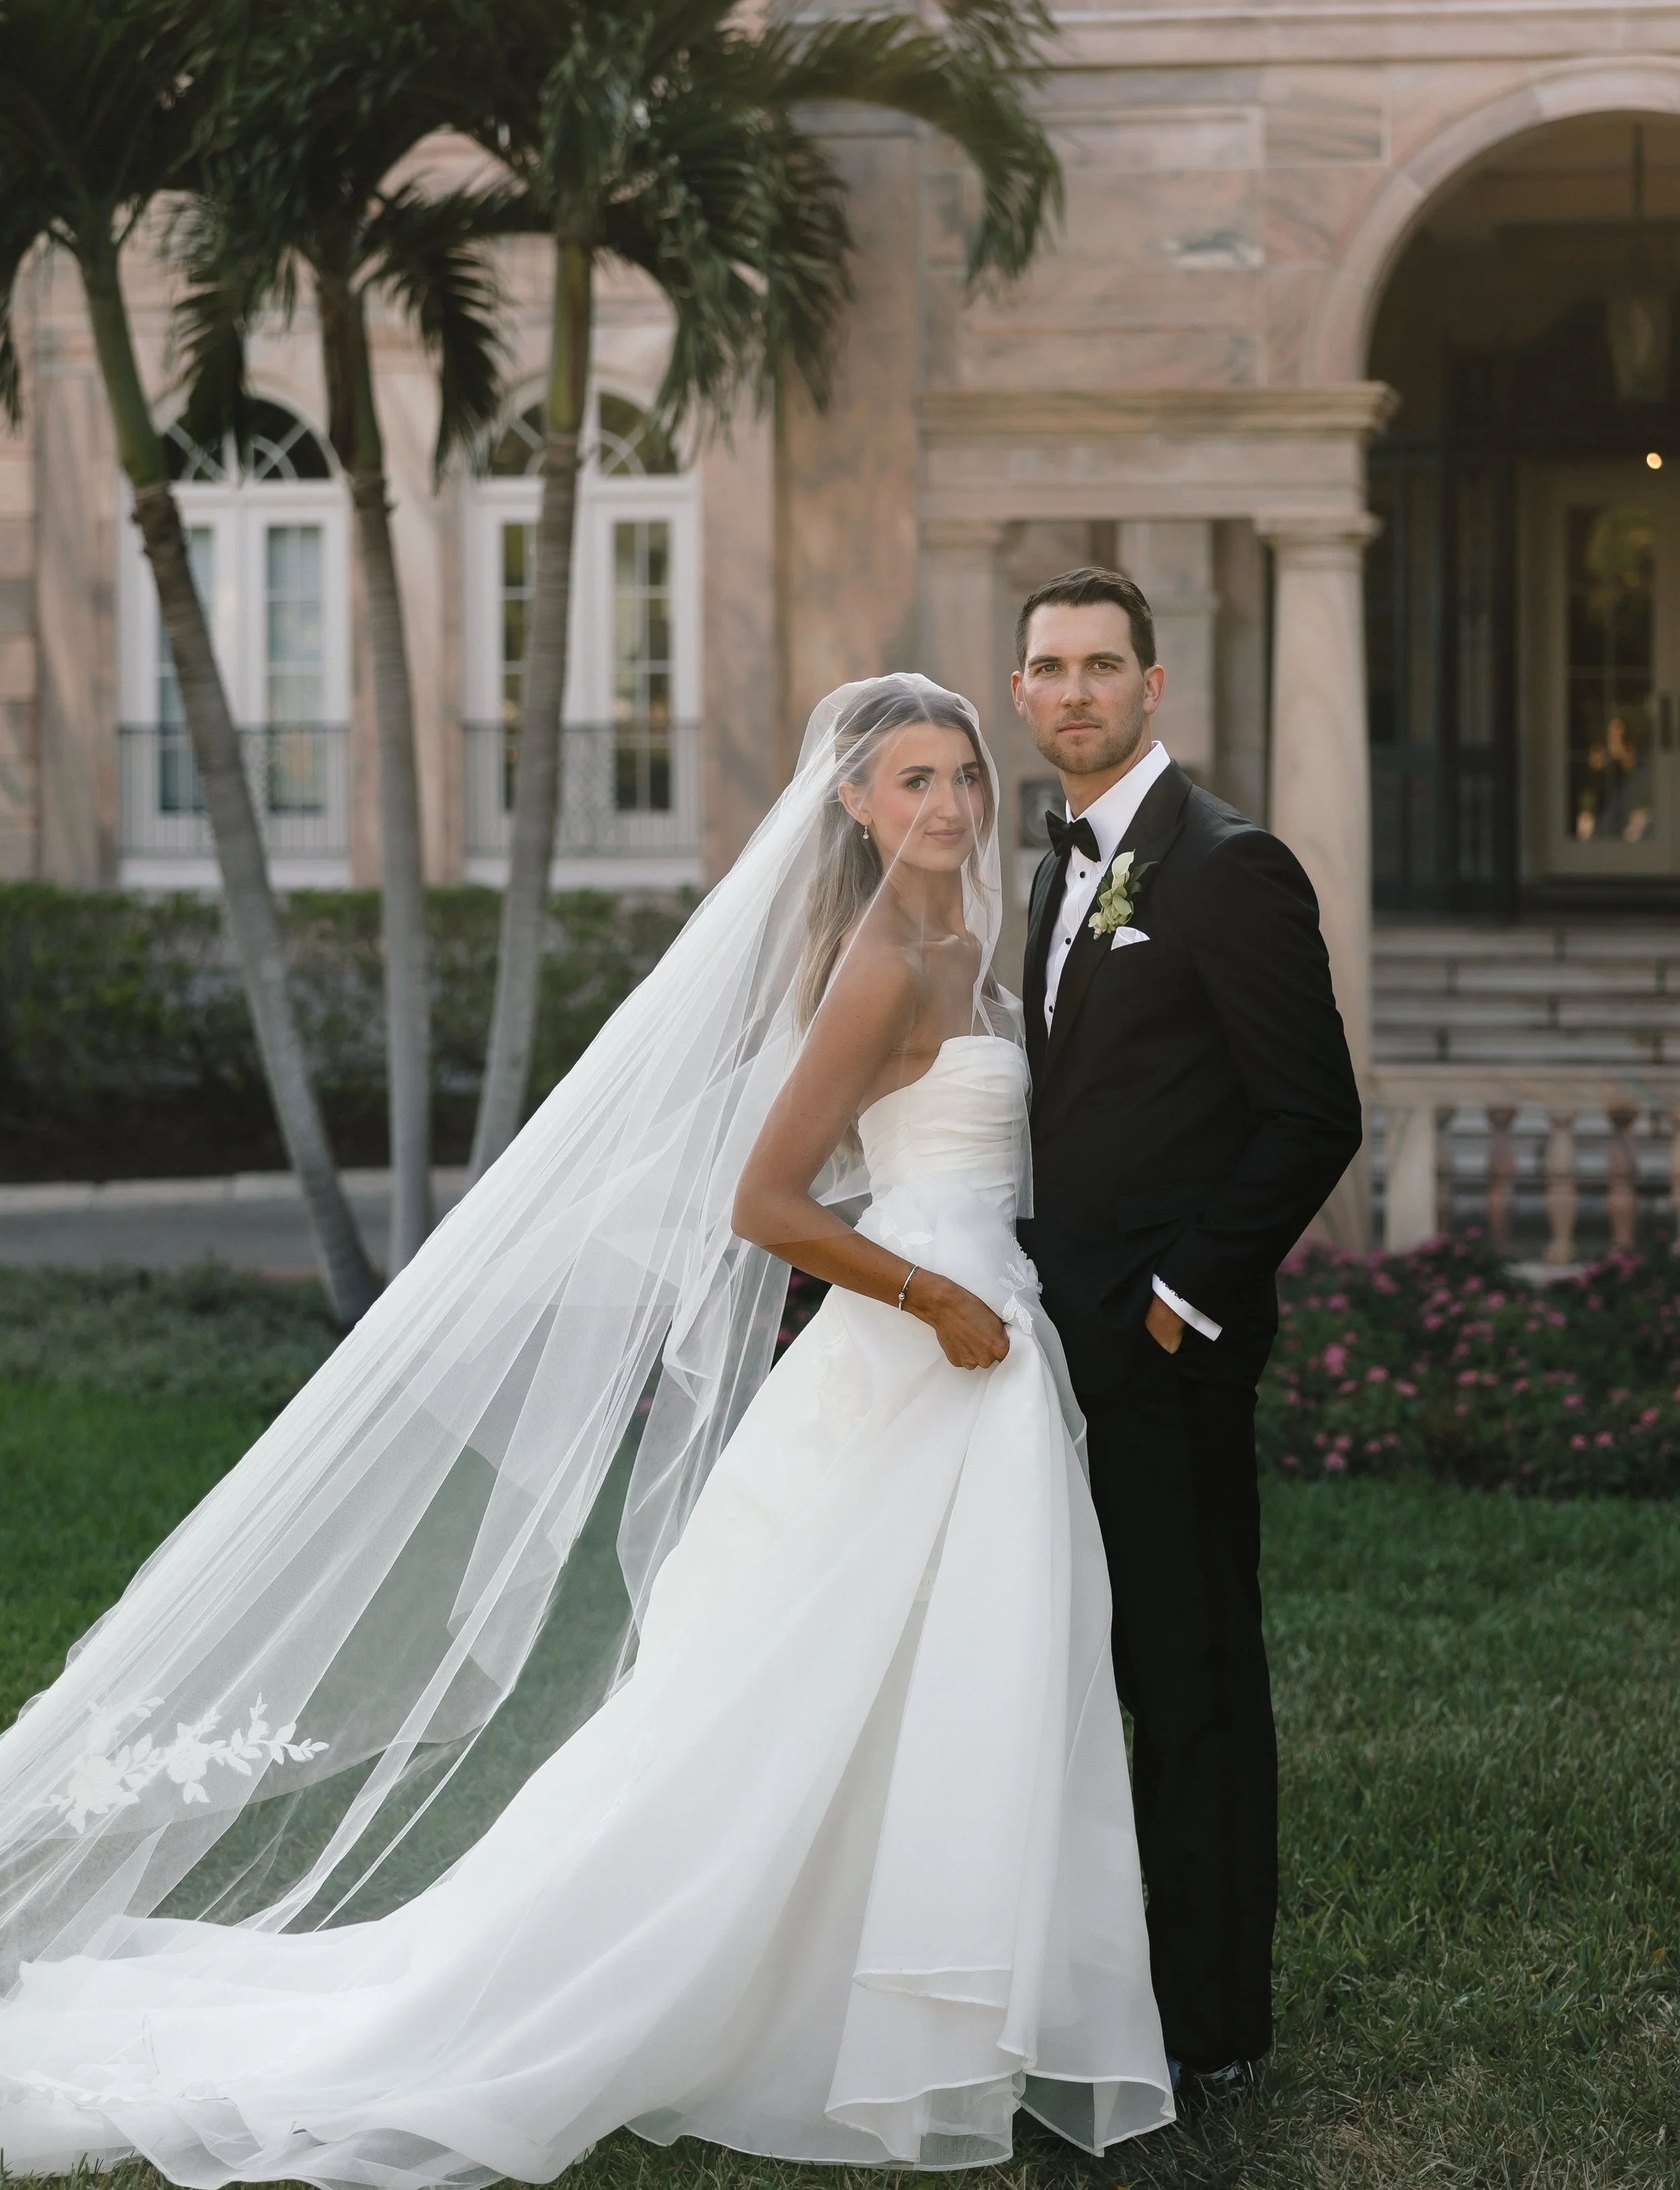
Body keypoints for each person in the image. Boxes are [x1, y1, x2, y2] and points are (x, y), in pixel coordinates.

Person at [0, 677, 1172, 2189]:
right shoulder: (879, 959)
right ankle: (715, 1994)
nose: (946, 805)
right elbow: (762, 1203)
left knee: (952, 1680)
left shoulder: (976, 938)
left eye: (959, 776)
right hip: (917, 1353)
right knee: (777, 1701)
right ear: (854, 803)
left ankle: (931, 2014)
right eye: (910, 783)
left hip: (992, 1354)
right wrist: (929, 1298)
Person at [1012, 569, 1361, 2107]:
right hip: (1042, 1355)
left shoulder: (1226, 866)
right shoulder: (1050, 866)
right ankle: (1091, 1987)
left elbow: (1312, 1117)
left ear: (1155, 686)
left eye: (1100, 665)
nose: (1072, 690)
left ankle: (1210, 2023)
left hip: (1163, 1362)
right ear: (1020, 694)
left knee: (1192, 1679)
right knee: (1071, 1675)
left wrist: (1176, 1302)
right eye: (1046, 667)